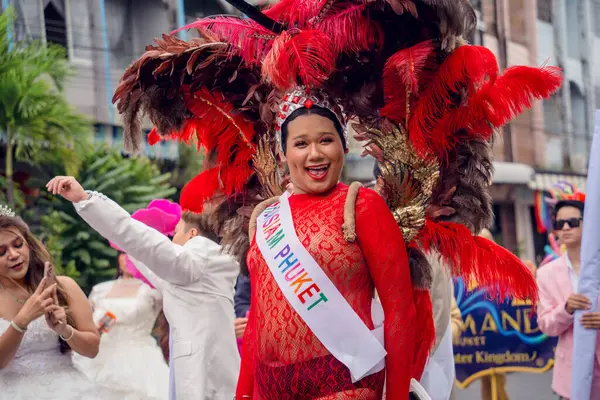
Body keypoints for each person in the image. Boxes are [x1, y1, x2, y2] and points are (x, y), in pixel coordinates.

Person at [111, 1, 555, 398]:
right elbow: (264, 318)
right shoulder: (266, 217)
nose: (315, 153)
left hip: (344, 386)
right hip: (270, 388)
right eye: (301, 144)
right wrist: (245, 393)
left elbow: (399, 311)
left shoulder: (362, 206)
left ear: (344, 147)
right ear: (283, 154)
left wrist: (396, 394)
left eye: (326, 140)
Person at [46, 178, 240, 400]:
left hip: (207, 381)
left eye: (176, 232)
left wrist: (85, 199)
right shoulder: (195, 273)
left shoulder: (198, 260)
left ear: (193, 235)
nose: (172, 239)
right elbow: (145, 256)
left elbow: (140, 239)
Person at [0, 206, 105, 399]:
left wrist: (65, 330)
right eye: (1, 251)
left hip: (68, 391)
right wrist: (21, 321)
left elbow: (92, 350)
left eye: (18, 244)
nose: (13, 255)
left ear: (28, 244)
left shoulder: (63, 286)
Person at [73, 251, 169, 399]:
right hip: (101, 353)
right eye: (123, 253)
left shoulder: (153, 291)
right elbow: (86, 322)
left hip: (139, 356)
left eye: (132, 253)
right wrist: (95, 329)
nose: (128, 258)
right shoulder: (100, 289)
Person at [537, 197, 600, 399]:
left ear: (587, 223)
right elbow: (546, 324)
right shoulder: (546, 273)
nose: (565, 228)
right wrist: (566, 309)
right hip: (573, 374)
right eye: (558, 224)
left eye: (572, 222)